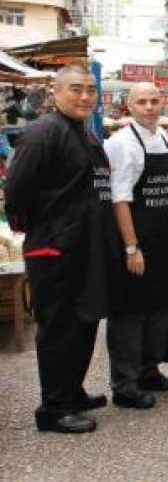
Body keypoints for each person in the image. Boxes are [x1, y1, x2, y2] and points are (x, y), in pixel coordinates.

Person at [6, 65, 116, 433]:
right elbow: (17, 192)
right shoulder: (44, 133)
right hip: (55, 248)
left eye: (90, 89)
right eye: (75, 89)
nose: (84, 96)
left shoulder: (85, 135)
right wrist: (49, 230)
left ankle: (71, 390)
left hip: (87, 247)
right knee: (59, 327)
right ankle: (53, 408)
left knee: (84, 320)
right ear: (56, 93)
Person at [103, 83, 168, 409]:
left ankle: (149, 370)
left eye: (154, 101)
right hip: (136, 239)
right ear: (129, 107)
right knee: (130, 315)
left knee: (158, 309)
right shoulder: (122, 144)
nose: (149, 107)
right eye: (142, 102)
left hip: (162, 237)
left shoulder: (162, 137)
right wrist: (131, 248)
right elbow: (120, 200)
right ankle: (124, 384)